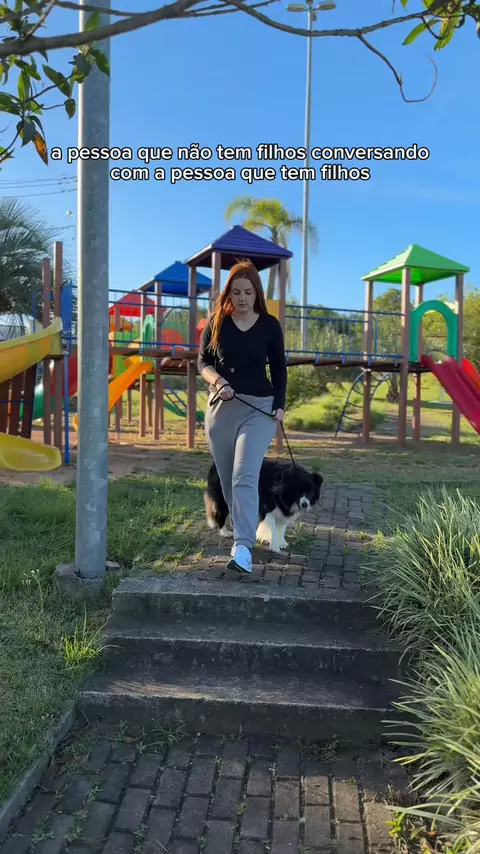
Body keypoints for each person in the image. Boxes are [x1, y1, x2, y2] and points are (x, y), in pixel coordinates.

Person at [197, 259, 287, 574]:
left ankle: (243, 547)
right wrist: (218, 381)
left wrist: (279, 404)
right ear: (229, 294)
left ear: (257, 293)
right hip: (222, 408)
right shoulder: (217, 322)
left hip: (259, 408)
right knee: (227, 478)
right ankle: (242, 526)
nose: (243, 298)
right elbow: (203, 362)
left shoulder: (269, 325)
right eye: (236, 292)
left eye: (248, 292)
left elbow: (279, 368)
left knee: (244, 475)